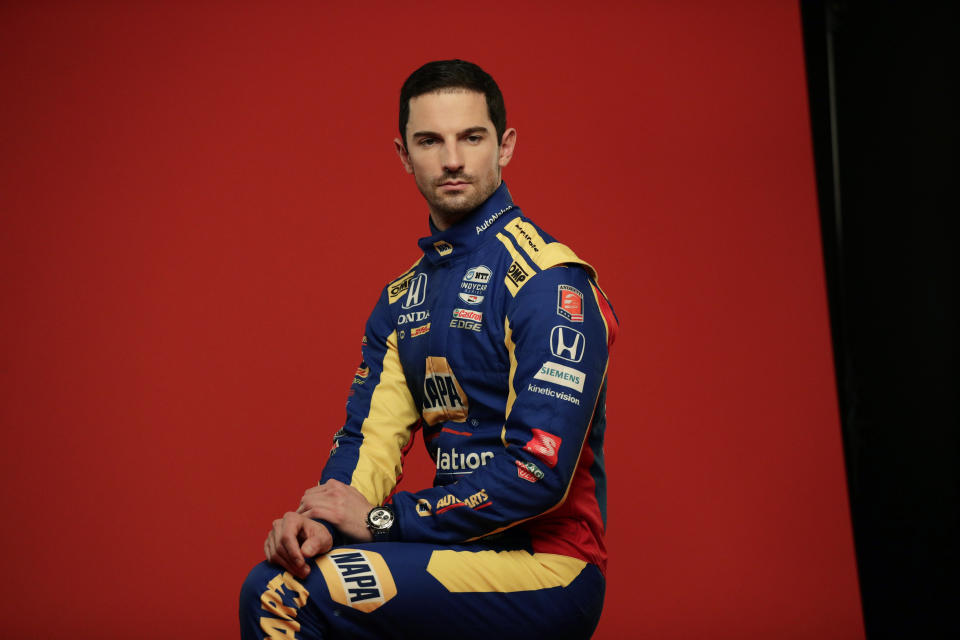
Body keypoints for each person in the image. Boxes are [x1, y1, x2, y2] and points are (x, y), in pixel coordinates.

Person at [239, 59, 618, 640]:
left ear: (505, 145)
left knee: (286, 595)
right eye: (429, 140)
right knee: (283, 573)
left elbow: (538, 473)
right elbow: (368, 445)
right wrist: (322, 522)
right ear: (403, 155)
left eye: (471, 137)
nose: (452, 159)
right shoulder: (402, 299)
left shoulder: (549, 284)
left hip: (549, 567)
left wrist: (384, 521)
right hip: (447, 550)